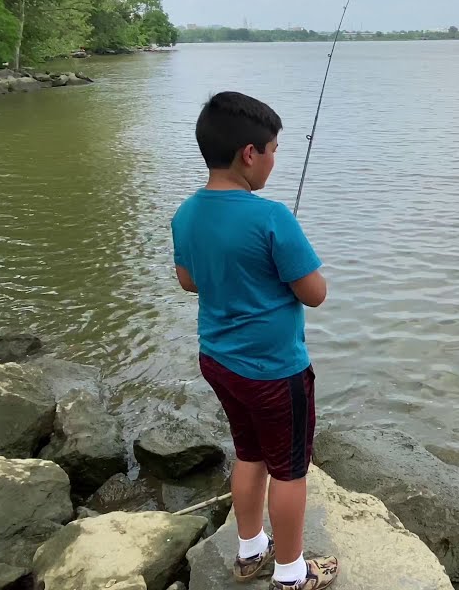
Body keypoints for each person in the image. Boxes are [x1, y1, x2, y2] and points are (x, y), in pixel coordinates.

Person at [171, 90, 339, 589]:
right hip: (273, 370)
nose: (272, 160)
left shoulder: (185, 213)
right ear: (250, 153)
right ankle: (291, 573)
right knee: (289, 469)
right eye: (273, 150)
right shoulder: (273, 218)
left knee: (249, 453)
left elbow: (189, 280)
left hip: (219, 361)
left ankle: (250, 550)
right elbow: (314, 294)